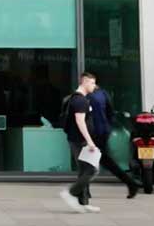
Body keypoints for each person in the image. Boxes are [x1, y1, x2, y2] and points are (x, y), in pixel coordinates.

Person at [88, 82, 139, 198]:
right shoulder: (104, 94)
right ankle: (84, 191)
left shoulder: (92, 97)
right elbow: (110, 114)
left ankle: (131, 183)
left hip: (95, 134)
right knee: (97, 162)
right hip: (102, 133)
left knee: (99, 162)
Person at [60, 72, 101, 213]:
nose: (94, 86)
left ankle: (84, 203)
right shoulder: (80, 100)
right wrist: (90, 142)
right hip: (80, 141)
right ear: (84, 82)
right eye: (92, 83)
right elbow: (80, 121)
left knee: (84, 171)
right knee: (91, 169)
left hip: (78, 140)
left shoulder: (77, 99)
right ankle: (70, 193)